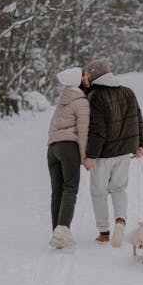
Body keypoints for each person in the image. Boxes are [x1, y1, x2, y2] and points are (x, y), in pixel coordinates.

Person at [82, 58, 143, 246]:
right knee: (119, 189)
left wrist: (91, 155)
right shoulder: (127, 92)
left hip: (103, 154)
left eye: (88, 74)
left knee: (98, 192)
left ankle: (103, 232)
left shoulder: (96, 97)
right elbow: (138, 119)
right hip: (125, 152)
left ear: (94, 75)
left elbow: (97, 129)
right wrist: (140, 144)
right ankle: (120, 221)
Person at [47, 67, 90, 249]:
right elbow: (83, 132)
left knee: (57, 191)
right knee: (70, 188)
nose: (86, 77)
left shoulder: (63, 99)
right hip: (68, 147)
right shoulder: (81, 102)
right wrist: (84, 157)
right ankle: (62, 230)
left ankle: (57, 231)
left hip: (52, 149)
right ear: (78, 81)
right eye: (84, 75)